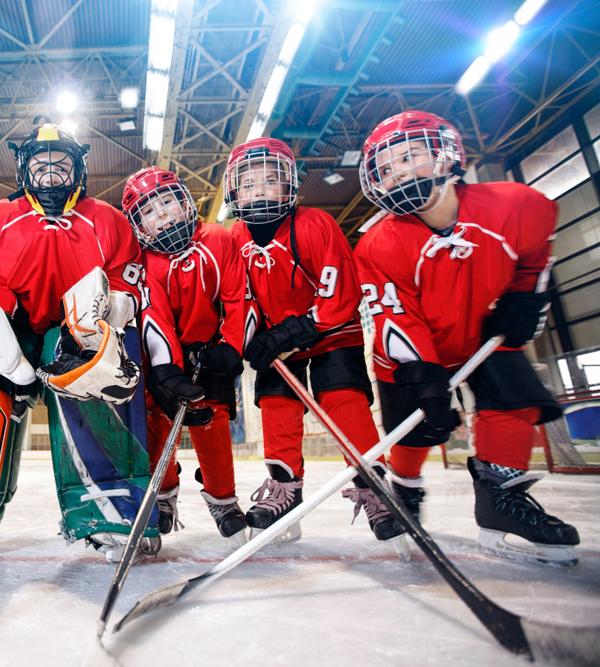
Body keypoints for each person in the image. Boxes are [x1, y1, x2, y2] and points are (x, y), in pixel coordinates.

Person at [0, 122, 158, 562]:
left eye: (61, 164)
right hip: (12, 328)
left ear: (80, 169)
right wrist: (3, 352)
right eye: (41, 164)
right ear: (23, 169)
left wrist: (97, 325)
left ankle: (111, 508)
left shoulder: (110, 221)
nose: (50, 174)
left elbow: (126, 283)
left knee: (100, 372)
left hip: (78, 332)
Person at [355, 110, 579, 564]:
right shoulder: (378, 244)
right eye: (388, 167)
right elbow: (396, 317)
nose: (398, 171)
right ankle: (405, 488)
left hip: (482, 334)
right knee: (417, 430)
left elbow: (535, 258)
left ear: (445, 155)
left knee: (515, 403)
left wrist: (525, 300)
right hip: (411, 353)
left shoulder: (519, 205)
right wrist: (423, 374)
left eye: (409, 156)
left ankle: (501, 498)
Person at [226, 137, 404, 545]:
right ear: (235, 190)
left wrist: (296, 329)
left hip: (330, 331)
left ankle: (372, 485)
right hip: (276, 342)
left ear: (289, 185)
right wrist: (251, 339)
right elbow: (238, 297)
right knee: (275, 403)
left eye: (270, 181)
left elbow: (340, 290)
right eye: (250, 184)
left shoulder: (315, 223)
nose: (260, 190)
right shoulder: (234, 238)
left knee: (345, 400)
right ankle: (285, 489)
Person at [122, 166, 251, 545]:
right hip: (165, 357)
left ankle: (223, 500)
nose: (161, 214)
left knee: (213, 421)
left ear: (184, 202)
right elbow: (155, 315)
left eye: (166, 203)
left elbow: (235, 296)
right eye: (149, 211)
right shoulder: (146, 262)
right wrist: (167, 370)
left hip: (212, 350)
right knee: (159, 423)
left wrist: (230, 347)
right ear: (139, 224)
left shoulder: (217, 238)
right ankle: (163, 496)